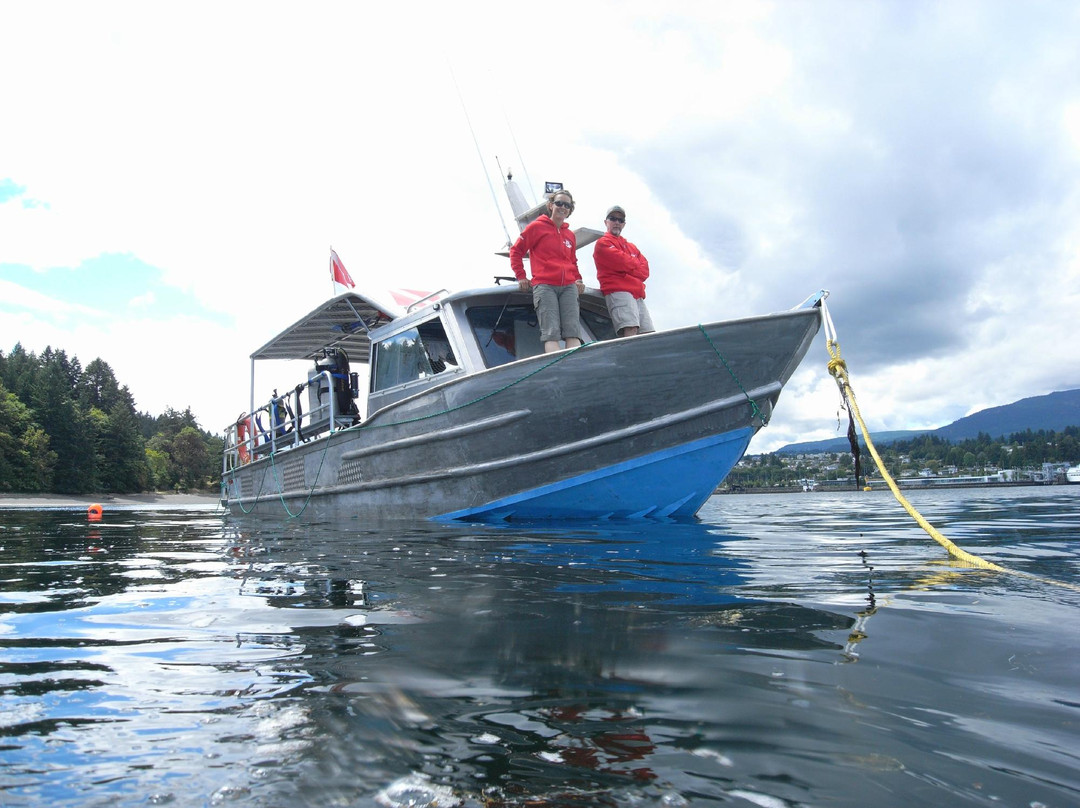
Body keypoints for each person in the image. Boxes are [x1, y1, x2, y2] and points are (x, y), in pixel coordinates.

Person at [509, 189, 585, 353]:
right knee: (551, 334)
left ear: (570, 210)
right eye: (559, 203)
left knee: (573, 332)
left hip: (569, 287)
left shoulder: (570, 235)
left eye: (567, 205)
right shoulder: (536, 227)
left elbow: (572, 261)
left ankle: (575, 368)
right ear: (551, 205)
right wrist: (521, 276)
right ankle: (558, 370)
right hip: (545, 286)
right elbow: (516, 251)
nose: (562, 207)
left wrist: (578, 279)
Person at [593, 205, 654, 337]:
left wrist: (627, 266)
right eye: (613, 218)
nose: (617, 222)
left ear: (624, 224)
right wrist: (633, 265)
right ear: (606, 222)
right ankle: (630, 358)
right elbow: (621, 261)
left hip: (637, 295)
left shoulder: (631, 246)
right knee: (630, 329)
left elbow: (645, 271)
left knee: (649, 334)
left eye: (620, 220)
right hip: (619, 291)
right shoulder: (602, 243)